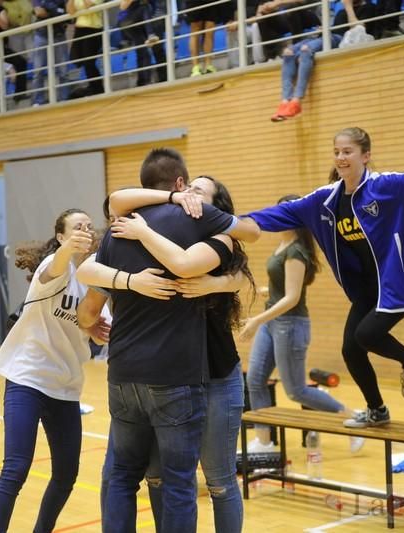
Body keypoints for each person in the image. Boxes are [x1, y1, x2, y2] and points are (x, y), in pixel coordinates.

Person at [241, 127, 404, 427]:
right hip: (366, 290)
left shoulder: (388, 187)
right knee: (351, 350)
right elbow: (283, 212)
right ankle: (377, 410)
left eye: (347, 151)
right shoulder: (325, 199)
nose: (341, 157)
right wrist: (234, 223)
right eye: (336, 152)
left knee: (366, 335)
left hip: (398, 283)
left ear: (366, 155)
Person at [76, 148, 259, 533]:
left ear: (215, 208)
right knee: (161, 479)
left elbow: (236, 265)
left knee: (217, 481)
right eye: (188, 188)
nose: (192, 195)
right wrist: (130, 272)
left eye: (201, 192)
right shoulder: (164, 222)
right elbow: (93, 267)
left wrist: (217, 282)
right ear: (177, 187)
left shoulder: (217, 239)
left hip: (209, 372)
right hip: (173, 376)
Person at [0, 208, 110, 533]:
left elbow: (95, 323)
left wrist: (97, 330)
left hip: (65, 387)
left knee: (66, 475)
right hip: (27, 378)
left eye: (88, 226)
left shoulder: (93, 282)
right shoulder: (54, 267)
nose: (85, 231)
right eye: (76, 227)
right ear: (60, 237)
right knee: (15, 469)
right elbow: (56, 264)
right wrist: (69, 247)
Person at [243, 194, 364, 453]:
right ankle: (264, 443)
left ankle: (352, 417)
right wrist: (269, 291)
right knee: (254, 380)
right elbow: (284, 288)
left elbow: (292, 298)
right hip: (274, 322)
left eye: (283, 213)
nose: (277, 217)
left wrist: (255, 320)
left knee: (296, 390)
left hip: (290, 325)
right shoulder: (283, 244)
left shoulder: (296, 250)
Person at [270, 0, 376, 122]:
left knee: (306, 50)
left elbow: (358, 30)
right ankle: (285, 101)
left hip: (340, 39)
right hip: (327, 36)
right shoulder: (341, 11)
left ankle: (296, 100)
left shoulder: (368, 7)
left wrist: (348, 6)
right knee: (288, 53)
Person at [32, 0, 72, 104]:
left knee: (63, 70)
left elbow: (69, 15)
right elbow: (39, 12)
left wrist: (49, 11)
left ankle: (64, 99)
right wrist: (57, 12)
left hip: (59, 35)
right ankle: (37, 101)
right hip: (41, 35)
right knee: (38, 70)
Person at [67, 0, 104, 98]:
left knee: (89, 61)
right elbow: (70, 11)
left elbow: (89, 5)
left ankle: (97, 88)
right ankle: (93, 86)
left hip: (93, 28)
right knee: (80, 60)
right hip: (80, 29)